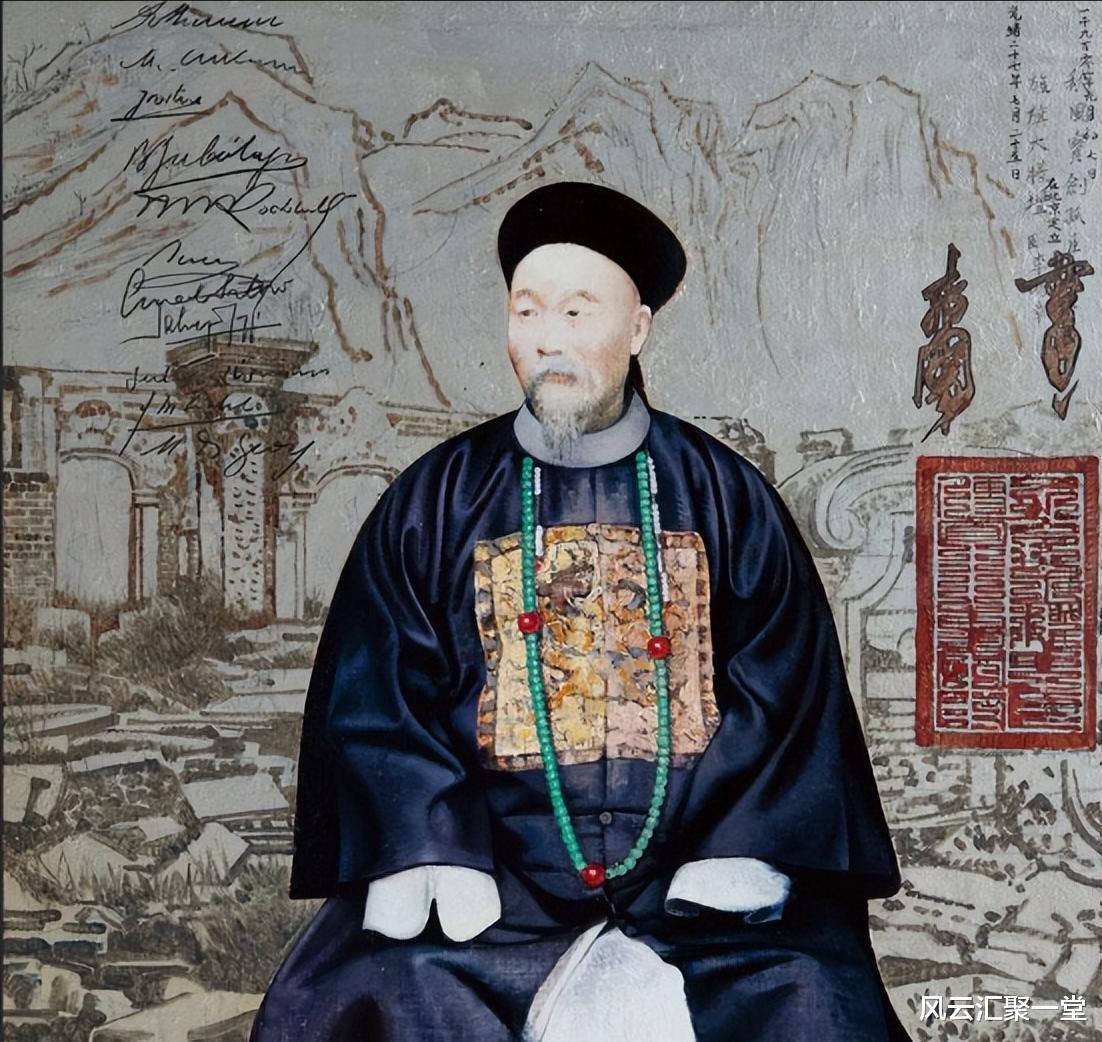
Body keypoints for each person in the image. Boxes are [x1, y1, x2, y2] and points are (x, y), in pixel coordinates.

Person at [250, 181, 911, 1042]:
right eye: (527, 312)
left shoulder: (726, 496)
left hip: (695, 880)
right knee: (382, 992)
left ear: (637, 329)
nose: (547, 339)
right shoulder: (434, 501)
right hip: (493, 888)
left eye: (575, 311)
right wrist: (434, 848)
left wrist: (733, 845)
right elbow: (380, 698)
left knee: (811, 997)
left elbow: (785, 691)